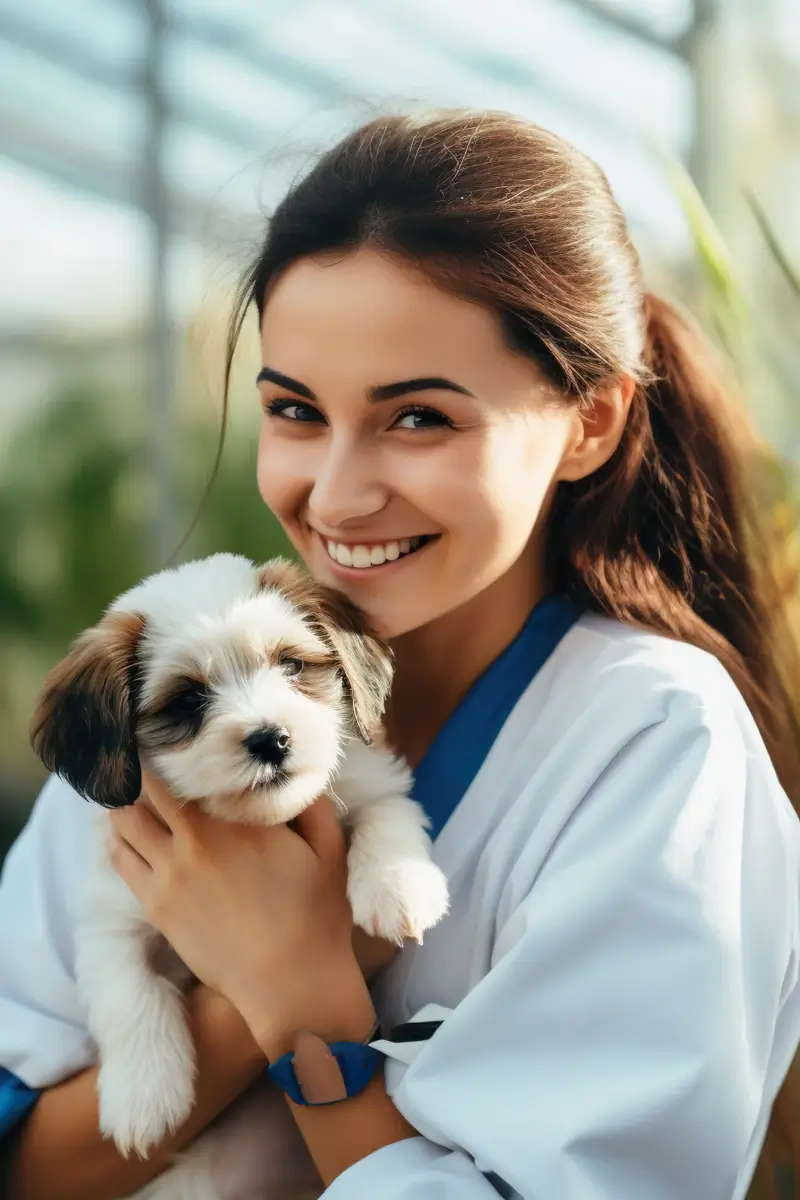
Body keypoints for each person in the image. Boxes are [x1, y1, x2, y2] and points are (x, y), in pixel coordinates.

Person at [1, 109, 799, 1200]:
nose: (335, 496)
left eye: (418, 418)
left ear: (590, 424)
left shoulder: (655, 740)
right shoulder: (149, 726)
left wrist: (301, 1002)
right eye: (294, 410)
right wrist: (236, 1009)